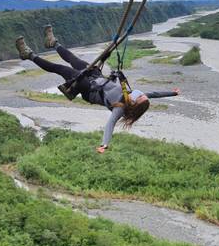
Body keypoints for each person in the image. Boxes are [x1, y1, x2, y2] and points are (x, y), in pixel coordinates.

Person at [15, 25, 180, 153]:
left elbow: (110, 126)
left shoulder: (120, 109)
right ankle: (53, 42)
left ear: (134, 103)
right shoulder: (132, 95)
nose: (136, 93)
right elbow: (156, 94)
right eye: (140, 95)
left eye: (138, 96)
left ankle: (28, 54)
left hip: (90, 90)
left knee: (61, 69)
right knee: (74, 59)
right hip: (97, 78)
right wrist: (173, 93)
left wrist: (104, 144)